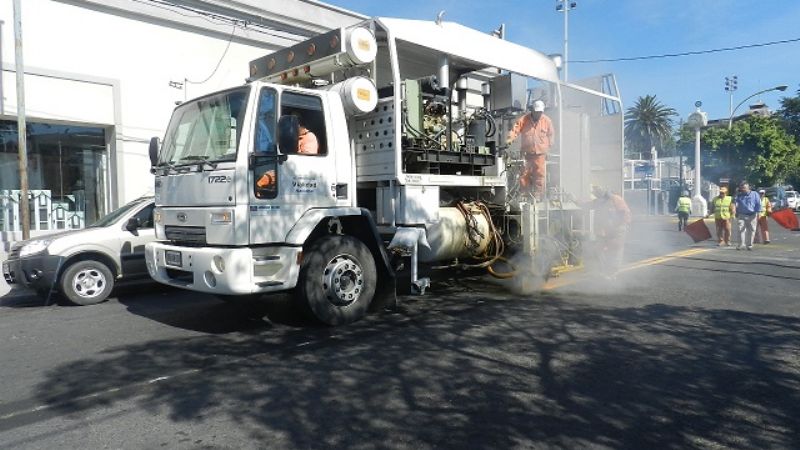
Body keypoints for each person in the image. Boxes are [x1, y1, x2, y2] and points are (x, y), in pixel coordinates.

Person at [505, 100, 554, 199]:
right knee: (524, 174)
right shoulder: (524, 119)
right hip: (526, 153)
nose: (538, 114)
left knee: (539, 175)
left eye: (540, 112)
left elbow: (551, 135)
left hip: (540, 153)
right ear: (532, 110)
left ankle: (538, 196)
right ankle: (524, 194)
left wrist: (548, 147)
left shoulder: (547, 121)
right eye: (537, 112)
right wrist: (510, 139)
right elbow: (515, 129)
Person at [588, 185, 631, 278]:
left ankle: (612, 273)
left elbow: (624, 213)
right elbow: (587, 205)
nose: (596, 195)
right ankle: (604, 271)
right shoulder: (599, 201)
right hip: (606, 231)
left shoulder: (615, 199)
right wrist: (573, 199)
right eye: (595, 193)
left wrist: (617, 227)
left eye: (598, 192)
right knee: (599, 249)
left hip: (617, 229)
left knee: (615, 250)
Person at [734, 182, 761, 250]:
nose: (742, 189)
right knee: (740, 230)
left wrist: (758, 213)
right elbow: (734, 202)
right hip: (742, 214)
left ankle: (749, 245)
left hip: (752, 215)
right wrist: (736, 193)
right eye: (741, 188)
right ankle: (741, 245)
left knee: (752, 230)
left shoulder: (755, 194)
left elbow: (758, 204)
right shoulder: (739, 195)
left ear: (748, 188)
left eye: (744, 188)